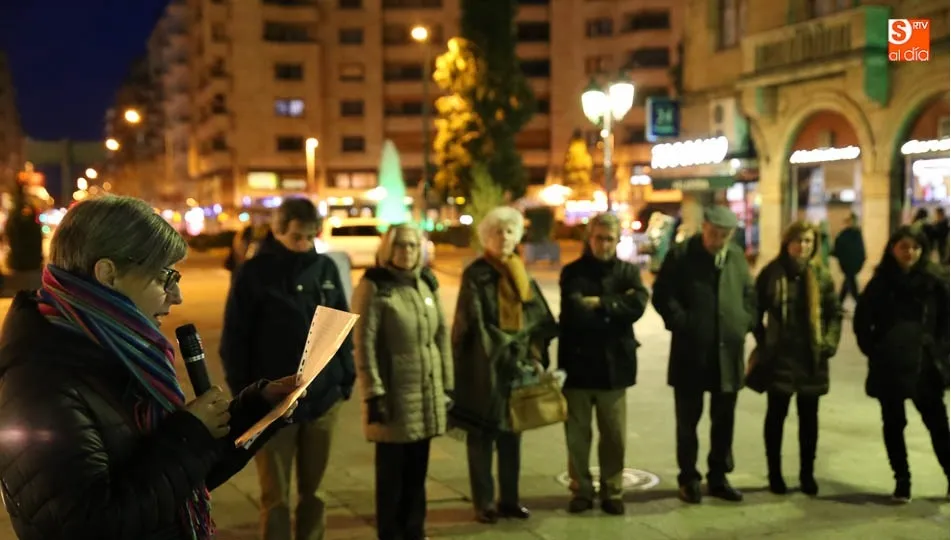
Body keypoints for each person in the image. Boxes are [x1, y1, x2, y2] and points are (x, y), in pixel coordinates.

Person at [0, 196, 301, 540]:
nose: (177, 296)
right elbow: (89, 523)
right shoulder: (41, 379)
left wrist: (258, 409)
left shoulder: (118, 348)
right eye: (164, 277)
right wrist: (190, 433)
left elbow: (173, 481)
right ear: (109, 274)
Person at [221, 197, 355, 540]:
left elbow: (340, 325)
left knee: (316, 492)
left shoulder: (324, 269)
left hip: (323, 398)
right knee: (275, 496)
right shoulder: (254, 272)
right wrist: (249, 396)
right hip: (274, 405)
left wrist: (345, 379)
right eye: (297, 236)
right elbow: (235, 339)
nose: (304, 244)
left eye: (311, 236)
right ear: (279, 231)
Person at [450, 206, 558, 524]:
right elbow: (472, 322)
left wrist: (533, 351)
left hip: (516, 366)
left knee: (513, 433)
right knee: (482, 436)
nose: (504, 237)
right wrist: (501, 347)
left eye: (510, 231)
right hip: (485, 366)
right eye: (497, 231)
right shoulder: (476, 273)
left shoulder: (520, 270)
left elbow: (539, 317)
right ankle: (484, 502)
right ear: (487, 237)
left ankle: (509, 499)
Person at [352, 224, 453, 540]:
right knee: (392, 478)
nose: (407, 252)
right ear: (388, 249)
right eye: (401, 246)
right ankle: (391, 533)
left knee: (417, 475)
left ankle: (415, 531)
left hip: (426, 396)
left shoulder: (426, 282)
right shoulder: (374, 286)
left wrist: (447, 386)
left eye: (413, 246)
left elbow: (440, 338)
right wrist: (373, 393)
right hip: (393, 397)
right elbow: (363, 344)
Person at [651, 206, 756, 504]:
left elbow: (749, 294)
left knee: (724, 420)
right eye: (713, 233)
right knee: (688, 421)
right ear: (704, 227)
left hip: (728, 351)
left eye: (724, 235)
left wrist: (744, 321)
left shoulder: (735, 257)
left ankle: (718, 476)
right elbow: (663, 295)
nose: (717, 240)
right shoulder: (681, 255)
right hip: (691, 352)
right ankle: (689, 477)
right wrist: (682, 322)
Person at [558, 212, 649, 515]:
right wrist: (615, 307)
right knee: (577, 435)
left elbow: (638, 305)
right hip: (578, 366)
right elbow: (574, 313)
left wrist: (600, 303)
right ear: (590, 238)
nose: (604, 244)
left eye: (610, 239)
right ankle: (581, 489)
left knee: (614, 434)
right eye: (599, 238)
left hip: (615, 368)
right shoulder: (572, 272)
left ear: (617, 240)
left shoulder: (628, 272)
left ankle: (613, 490)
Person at [853, 226, 950, 502]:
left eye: (915, 247)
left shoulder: (934, 282)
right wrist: (875, 349)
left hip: (925, 364)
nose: (910, 253)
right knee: (894, 424)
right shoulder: (880, 282)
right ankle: (902, 479)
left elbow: (946, 322)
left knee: (938, 424)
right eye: (904, 247)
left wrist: (939, 350)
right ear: (892, 248)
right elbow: (863, 321)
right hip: (890, 364)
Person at [752, 221, 842, 496]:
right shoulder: (772, 273)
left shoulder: (820, 274)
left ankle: (807, 474)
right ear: (786, 242)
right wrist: (764, 341)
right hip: (780, 356)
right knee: (776, 416)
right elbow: (754, 310)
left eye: (807, 241)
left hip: (811, 357)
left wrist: (828, 342)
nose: (802, 246)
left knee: (809, 419)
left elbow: (833, 312)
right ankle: (775, 474)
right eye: (797, 241)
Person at [831, 212, 865, 308]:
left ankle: (841, 303)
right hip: (846, 263)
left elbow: (860, 249)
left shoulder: (856, 234)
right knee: (850, 281)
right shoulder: (845, 235)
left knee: (849, 281)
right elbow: (838, 248)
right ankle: (857, 302)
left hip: (852, 264)